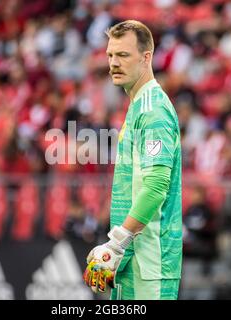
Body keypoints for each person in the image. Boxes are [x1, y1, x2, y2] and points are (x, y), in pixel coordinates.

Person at [83, 20, 182, 300]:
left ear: (146, 57)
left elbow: (155, 186)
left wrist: (116, 244)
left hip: (150, 260)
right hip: (135, 257)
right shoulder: (139, 105)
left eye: (123, 55)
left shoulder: (153, 111)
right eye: (110, 55)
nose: (114, 62)